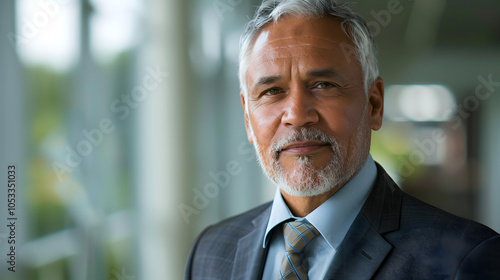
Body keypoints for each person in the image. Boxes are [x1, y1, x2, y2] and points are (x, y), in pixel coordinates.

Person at [185, 0, 500, 279]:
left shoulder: (464, 258)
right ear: (247, 121)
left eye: (323, 85)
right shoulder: (210, 252)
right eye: (272, 91)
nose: (296, 114)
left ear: (374, 104)